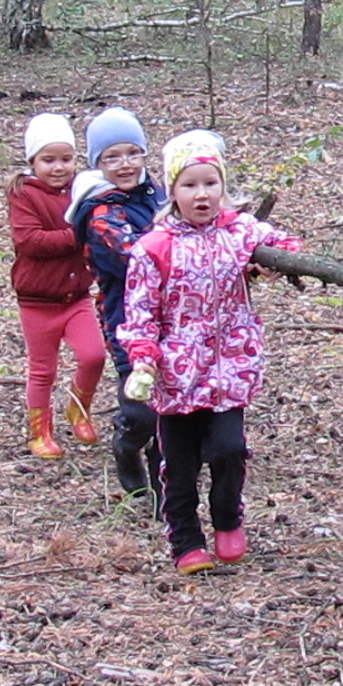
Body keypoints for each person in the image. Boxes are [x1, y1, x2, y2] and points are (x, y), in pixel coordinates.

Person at [119, 129, 300, 575]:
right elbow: (140, 312)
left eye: (210, 183)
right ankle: (185, 542)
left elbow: (285, 245)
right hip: (176, 375)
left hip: (230, 367)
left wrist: (266, 264)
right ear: (172, 190)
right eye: (190, 185)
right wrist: (144, 359)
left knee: (228, 449)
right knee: (178, 465)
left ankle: (227, 517)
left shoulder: (240, 230)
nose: (201, 195)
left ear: (222, 185)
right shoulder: (154, 247)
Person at [66, 108, 165, 498]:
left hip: (173, 317)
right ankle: (126, 444)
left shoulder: (159, 195)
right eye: (112, 157)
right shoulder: (102, 213)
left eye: (132, 153)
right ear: (98, 163)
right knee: (141, 408)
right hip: (127, 321)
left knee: (170, 408)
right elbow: (136, 258)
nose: (125, 164)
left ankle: (165, 491)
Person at [8, 113, 106, 459]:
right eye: (48, 160)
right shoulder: (24, 193)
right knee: (42, 369)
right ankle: (40, 431)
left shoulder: (83, 189)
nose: (58, 167)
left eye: (66, 159)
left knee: (94, 355)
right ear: (32, 161)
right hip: (37, 300)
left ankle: (79, 408)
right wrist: (78, 235)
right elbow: (30, 240)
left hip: (76, 296)